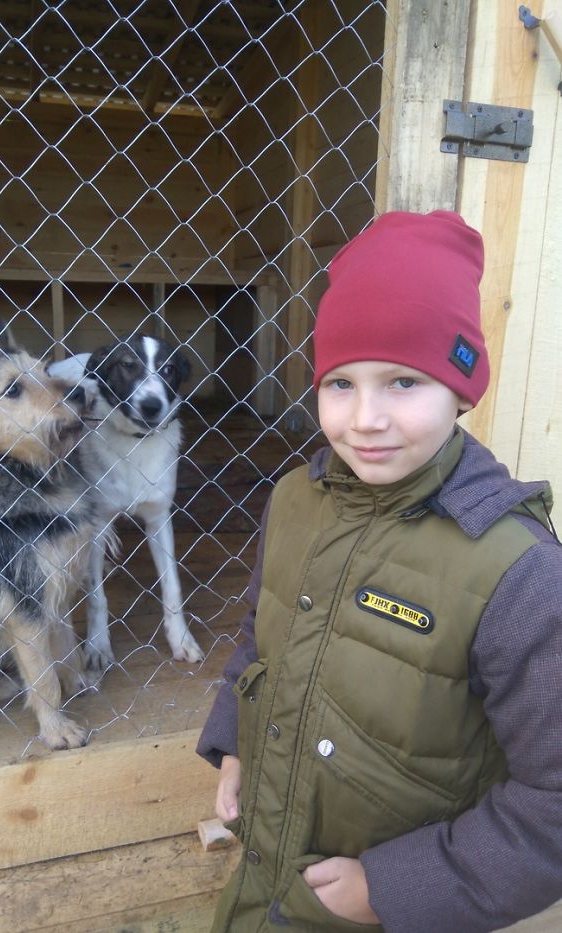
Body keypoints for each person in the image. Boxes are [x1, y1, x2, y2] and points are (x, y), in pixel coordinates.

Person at [197, 210, 562, 933]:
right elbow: (261, 634)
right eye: (340, 383)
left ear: (461, 389)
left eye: (402, 381)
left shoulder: (519, 575)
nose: (364, 418)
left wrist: (389, 889)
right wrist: (234, 737)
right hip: (266, 879)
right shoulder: (296, 498)